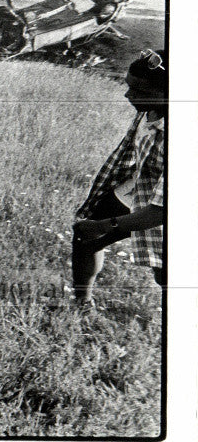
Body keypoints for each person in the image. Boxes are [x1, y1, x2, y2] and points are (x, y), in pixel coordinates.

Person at [71, 49, 167, 305]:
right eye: (129, 87)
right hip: (139, 188)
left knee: (165, 273)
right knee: (85, 238)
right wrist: (96, 227)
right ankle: (82, 303)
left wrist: (103, 226)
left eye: (140, 92)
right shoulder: (150, 110)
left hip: (165, 209)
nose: (128, 95)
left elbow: (160, 212)